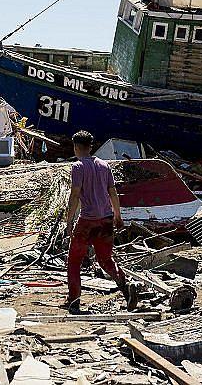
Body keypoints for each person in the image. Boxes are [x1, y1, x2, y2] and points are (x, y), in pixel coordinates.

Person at [65, 130, 137, 314]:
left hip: (87, 220)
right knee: (106, 259)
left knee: (74, 261)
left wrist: (69, 221)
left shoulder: (78, 167)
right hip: (106, 219)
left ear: (76, 147)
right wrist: (117, 215)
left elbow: (75, 195)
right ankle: (125, 286)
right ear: (91, 147)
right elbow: (113, 192)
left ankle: (74, 301)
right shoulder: (105, 166)